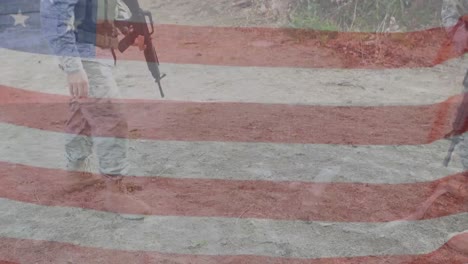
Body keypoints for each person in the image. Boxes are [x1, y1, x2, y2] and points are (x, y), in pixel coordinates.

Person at [40, 0, 151, 219]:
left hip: (96, 49)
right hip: (83, 54)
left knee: (82, 111)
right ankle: (115, 191)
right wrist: (73, 67)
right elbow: (54, 16)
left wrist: (123, 25)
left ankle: (76, 171)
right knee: (111, 116)